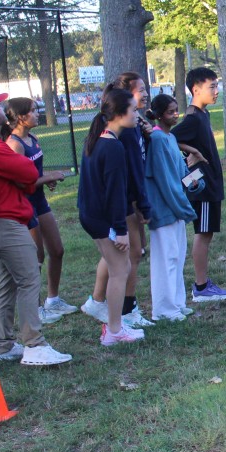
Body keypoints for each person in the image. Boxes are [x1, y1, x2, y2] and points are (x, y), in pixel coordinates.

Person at [0, 98, 72, 365]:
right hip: (6, 221)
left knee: (6, 283)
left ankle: (2, 344)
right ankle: (34, 345)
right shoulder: (1, 146)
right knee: (29, 278)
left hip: (6, 218)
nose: (1, 110)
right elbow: (27, 171)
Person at [81, 72, 154, 328]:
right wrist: (126, 222)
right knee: (124, 263)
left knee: (120, 260)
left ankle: (106, 310)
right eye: (139, 91)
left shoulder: (109, 135)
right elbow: (118, 186)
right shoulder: (114, 142)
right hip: (115, 210)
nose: (145, 95)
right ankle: (120, 319)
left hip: (105, 212)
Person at [171, 67, 226, 304]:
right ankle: (201, 286)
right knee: (203, 233)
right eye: (212, 87)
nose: (216, 91)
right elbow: (168, 137)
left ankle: (203, 284)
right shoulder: (193, 119)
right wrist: (192, 152)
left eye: (217, 86)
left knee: (207, 233)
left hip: (212, 184)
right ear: (196, 90)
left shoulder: (202, 114)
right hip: (202, 187)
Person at [144, 94, 201, 321]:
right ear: (159, 115)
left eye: (176, 110)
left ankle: (177, 303)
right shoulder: (158, 139)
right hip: (164, 208)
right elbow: (165, 180)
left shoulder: (170, 137)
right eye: (170, 112)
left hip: (176, 208)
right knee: (165, 260)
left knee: (177, 256)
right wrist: (183, 207)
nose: (175, 115)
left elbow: (181, 174)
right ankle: (163, 309)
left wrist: (196, 180)